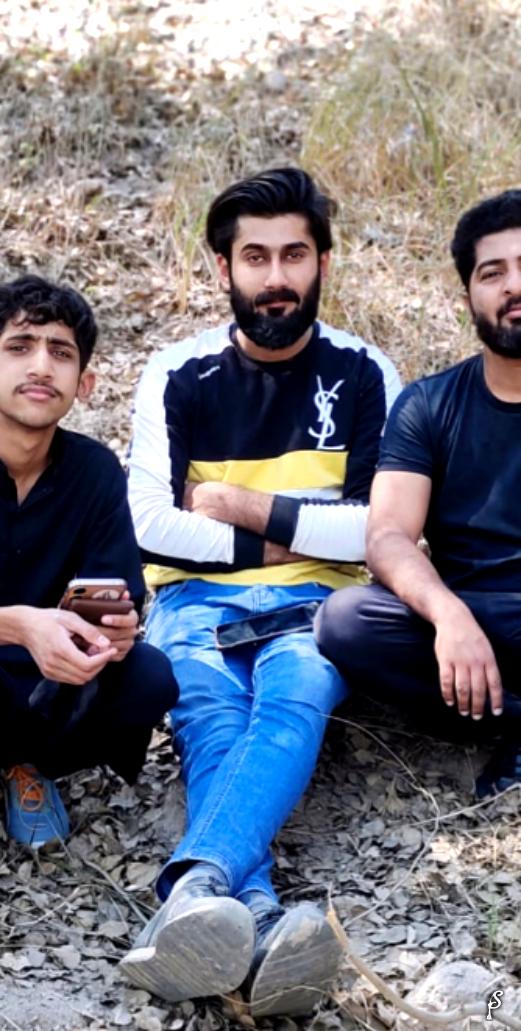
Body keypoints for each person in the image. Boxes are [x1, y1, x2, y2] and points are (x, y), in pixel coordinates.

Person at [123, 167, 401, 1015]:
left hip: (315, 604)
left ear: (322, 263)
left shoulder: (364, 372)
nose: (275, 276)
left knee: (290, 699)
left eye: (293, 254)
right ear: (223, 268)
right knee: (211, 716)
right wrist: (300, 529)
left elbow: (380, 527)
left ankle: (192, 887)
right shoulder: (176, 372)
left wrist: (239, 506)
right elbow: (151, 525)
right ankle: (259, 913)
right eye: (255, 257)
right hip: (192, 604)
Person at [316, 188, 521, 799]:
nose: (514, 285)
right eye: (493, 273)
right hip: (474, 620)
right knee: (346, 621)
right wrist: (449, 614)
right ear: (468, 298)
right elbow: (386, 538)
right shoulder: (428, 406)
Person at [0, 274, 177, 850]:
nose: (41, 367)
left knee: (149, 676)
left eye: (61, 352)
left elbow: (119, 592)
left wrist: (114, 634)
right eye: (20, 347)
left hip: (48, 675)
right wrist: (19, 625)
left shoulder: (95, 470)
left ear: (85, 383)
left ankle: (25, 765)